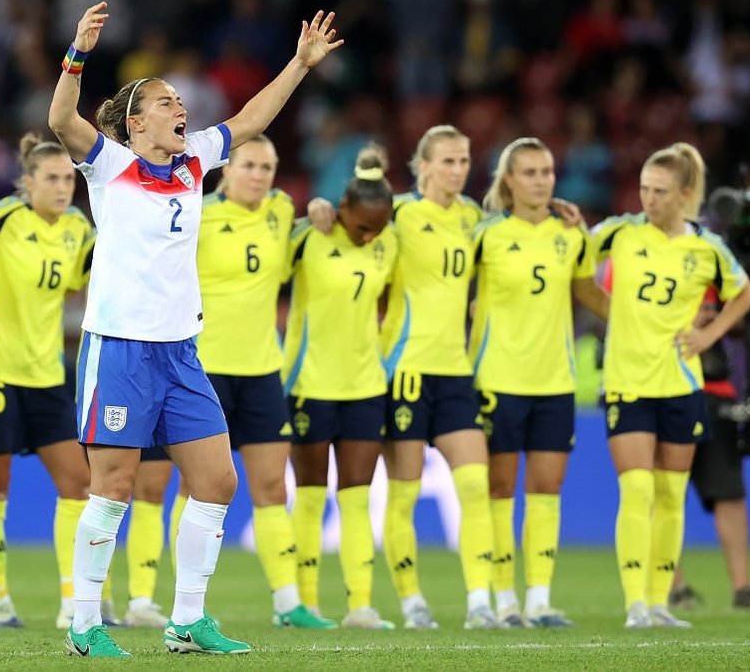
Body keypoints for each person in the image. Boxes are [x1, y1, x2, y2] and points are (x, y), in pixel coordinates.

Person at [47, 1, 342, 657]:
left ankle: (186, 620)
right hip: (119, 348)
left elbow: (253, 118)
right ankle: (85, 624)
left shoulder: (194, 161)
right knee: (114, 488)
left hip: (180, 352)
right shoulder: (108, 164)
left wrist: (299, 64)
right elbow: (61, 119)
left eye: (182, 100)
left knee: (217, 481)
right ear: (135, 122)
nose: (181, 108)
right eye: (166, 101)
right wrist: (78, 53)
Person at [127, 136, 338, 630]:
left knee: (271, 488)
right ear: (226, 170)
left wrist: (318, 209)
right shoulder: (198, 213)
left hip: (262, 371)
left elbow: (306, 229)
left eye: (267, 167)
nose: (258, 176)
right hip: (201, 369)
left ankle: (287, 602)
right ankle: (153, 600)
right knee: (180, 486)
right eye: (249, 166)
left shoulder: (280, 211)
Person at [592, 142, 750, 628]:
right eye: (644, 189)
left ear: (684, 195)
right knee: (637, 489)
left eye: (660, 191)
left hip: (681, 384)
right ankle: (635, 604)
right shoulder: (620, 232)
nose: (649, 199)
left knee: (669, 494)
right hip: (627, 382)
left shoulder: (707, 247)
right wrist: (611, 312)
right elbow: (575, 264)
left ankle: (660, 602)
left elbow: (744, 293)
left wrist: (708, 335)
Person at [472, 137, 609, 628]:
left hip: (555, 380)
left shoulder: (572, 235)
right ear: (509, 180)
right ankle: (504, 599)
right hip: (498, 378)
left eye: (547, 171)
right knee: (500, 489)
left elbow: (589, 292)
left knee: (547, 488)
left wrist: (642, 322)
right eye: (529, 172)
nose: (540, 180)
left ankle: (539, 599)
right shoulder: (485, 234)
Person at [0, 135, 98, 629]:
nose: (63, 187)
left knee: (78, 485)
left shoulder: (77, 229)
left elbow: (80, 281)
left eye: (68, 178)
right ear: (27, 183)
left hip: (47, 376)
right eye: (52, 178)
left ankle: (72, 602)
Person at [378, 125, 497, 630]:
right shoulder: (398, 213)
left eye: (464, 160)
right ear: (423, 165)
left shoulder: (473, 218)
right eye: (447, 161)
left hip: (455, 372)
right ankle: (412, 603)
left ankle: (480, 603)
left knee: (475, 485)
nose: (458, 169)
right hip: (405, 370)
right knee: (403, 493)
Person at [285, 146, 398, 630]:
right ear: (342, 207)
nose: (369, 235)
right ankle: (305, 605)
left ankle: (361, 606)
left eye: (378, 228)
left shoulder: (389, 242)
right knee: (310, 496)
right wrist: (310, 208)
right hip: (309, 385)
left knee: (356, 496)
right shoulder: (310, 236)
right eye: (362, 226)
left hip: (365, 386)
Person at [669, 295, 750, 611]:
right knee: (664, 493)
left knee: (730, 493)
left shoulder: (719, 272)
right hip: (662, 387)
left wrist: (722, 321)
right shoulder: (640, 265)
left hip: (715, 391)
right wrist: (688, 320)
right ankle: (671, 587)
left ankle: (743, 588)